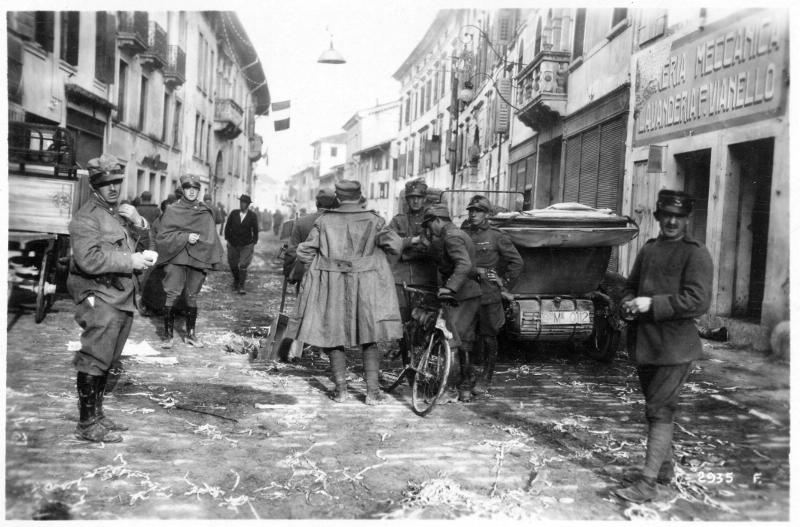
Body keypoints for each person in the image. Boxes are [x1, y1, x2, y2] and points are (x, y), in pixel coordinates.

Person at [613, 189, 714, 503]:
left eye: (678, 217)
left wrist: (650, 304)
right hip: (646, 345)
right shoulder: (650, 249)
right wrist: (628, 304)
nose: (672, 221)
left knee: (658, 411)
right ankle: (664, 469)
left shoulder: (696, 253)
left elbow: (697, 301)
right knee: (657, 410)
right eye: (666, 215)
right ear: (657, 217)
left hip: (675, 347)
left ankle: (647, 484)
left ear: (686, 220)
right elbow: (630, 287)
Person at [286, 180, 402, 405]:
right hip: (367, 284)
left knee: (332, 333)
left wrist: (322, 268)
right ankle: (372, 393)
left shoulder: (324, 220)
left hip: (332, 283)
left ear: (338, 198)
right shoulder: (374, 220)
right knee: (369, 336)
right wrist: (375, 262)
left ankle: (340, 391)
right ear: (360, 197)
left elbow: (304, 251)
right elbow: (395, 246)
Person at [67, 154, 155, 442]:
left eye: (117, 182)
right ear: (95, 186)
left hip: (119, 296)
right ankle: (86, 424)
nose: (113, 188)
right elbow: (88, 260)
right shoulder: (86, 218)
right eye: (106, 184)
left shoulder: (114, 213)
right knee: (94, 358)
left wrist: (139, 223)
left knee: (109, 358)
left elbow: (132, 244)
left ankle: (98, 415)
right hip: (99, 296)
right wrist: (131, 261)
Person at [462, 195, 523, 398]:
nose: (473, 214)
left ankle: (486, 377)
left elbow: (516, 263)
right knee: (464, 336)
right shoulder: (462, 233)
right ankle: (466, 375)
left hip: (488, 294)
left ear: (486, 214)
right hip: (466, 292)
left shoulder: (496, 236)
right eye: (471, 210)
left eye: (477, 211)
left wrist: (503, 283)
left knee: (489, 337)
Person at [419, 203, 481, 403]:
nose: (429, 230)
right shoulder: (454, 234)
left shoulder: (452, 236)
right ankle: (465, 387)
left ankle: (451, 389)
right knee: (464, 341)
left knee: (450, 340)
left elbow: (464, 264)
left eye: (430, 225)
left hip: (460, 295)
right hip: (468, 294)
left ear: (438, 220)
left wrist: (449, 288)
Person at [155, 174, 224, 348]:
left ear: (199, 191)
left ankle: (191, 335)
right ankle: (168, 336)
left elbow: (211, 237)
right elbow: (162, 237)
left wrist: (201, 245)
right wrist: (185, 237)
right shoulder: (172, 210)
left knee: (192, 295)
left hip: (198, 257)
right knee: (172, 293)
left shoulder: (204, 211)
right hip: (176, 256)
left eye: (195, 189)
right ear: (182, 190)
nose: (192, 192)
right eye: (188, 189)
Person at [281, 188, 337, 361]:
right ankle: (322, 349)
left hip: (306, 274)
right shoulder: (339, 224)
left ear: (317, 203)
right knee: (327, 311)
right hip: (331, 276)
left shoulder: (303, 222)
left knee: (303, 309)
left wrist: (289, 273)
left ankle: (296, 349)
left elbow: (292, 251)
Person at [387, 178, 439, 323]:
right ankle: (404, 345)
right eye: (412, 198)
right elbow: (390, 244)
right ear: (407, 200)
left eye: (419, 197)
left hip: (425, 277)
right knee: (401, 317)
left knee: (424, 317)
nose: (415, 201)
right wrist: (413, 241)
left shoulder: (433, 220)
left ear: (424, 199)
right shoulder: (398, 221)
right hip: (401, 278)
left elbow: (435, 247)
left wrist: (405, 251)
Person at [224, 194, 259, 294]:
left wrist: (254, 241)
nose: (242, 204)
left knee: (243, 264)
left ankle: (241, 286)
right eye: (241, 202)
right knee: (233, 264)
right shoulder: (234, 213)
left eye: (244, 203)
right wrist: (227, 239)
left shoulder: (252, 215)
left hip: (246, 243)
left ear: (248, 204)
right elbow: (227, 226)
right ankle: (236, 280)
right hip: (233, 243)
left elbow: (255, 230)